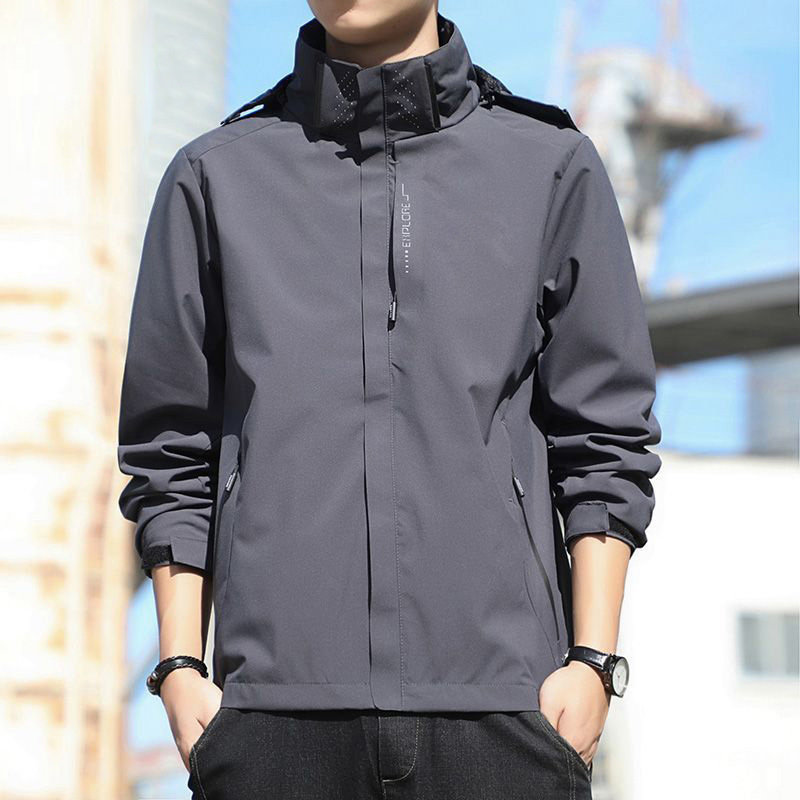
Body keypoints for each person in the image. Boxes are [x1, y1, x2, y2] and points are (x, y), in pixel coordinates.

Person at [117, 1, 662, 798]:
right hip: (269, 720)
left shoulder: (548, 167)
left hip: (507, 715)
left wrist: (593, 663)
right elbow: (170, 445)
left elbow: (606, 435)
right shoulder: (215, 178)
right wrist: (178, 666)